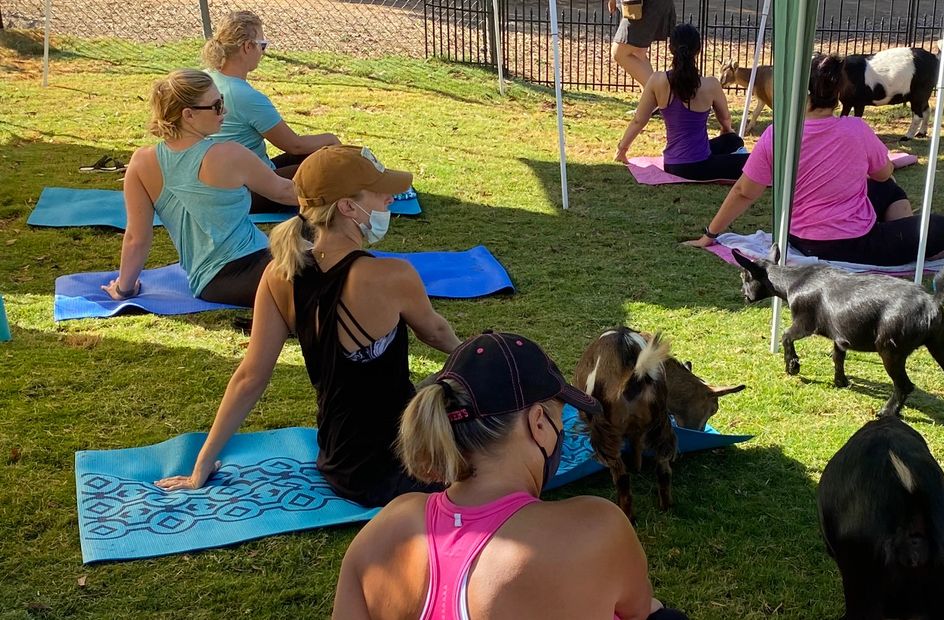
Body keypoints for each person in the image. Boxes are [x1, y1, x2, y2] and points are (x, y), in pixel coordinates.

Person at [156, 145, 462, 508]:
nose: (390, 198)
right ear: (348, 207)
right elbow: (438, 335)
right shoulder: (391, 275)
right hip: (405, 465)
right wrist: (483, 351)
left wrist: (201, 463)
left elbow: (249, 377)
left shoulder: (278, 274)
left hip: (338, 462)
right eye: (379, 193)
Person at [331, 331, 691, 620]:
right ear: (539, 423)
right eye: (559, 415)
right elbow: (638, 609)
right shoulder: (598, 527)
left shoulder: (380, 533)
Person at [684, 55, 944, 266]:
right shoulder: (856, 130)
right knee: (941, 226)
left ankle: (898, 238)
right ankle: (912, 247)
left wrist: (710, 234)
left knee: (887, 192)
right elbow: (884, 173)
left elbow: (744, 191)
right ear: (838, 92)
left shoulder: (778, 133)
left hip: (798, 237)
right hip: (851, 244)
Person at [103, 68, 296, 307]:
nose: (223, 110)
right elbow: (286, 192)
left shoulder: (141, 162)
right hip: (253, 265)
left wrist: (124, 288)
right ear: (188, 115)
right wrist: (338, 192)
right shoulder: (229, 154)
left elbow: (137, 238)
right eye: (216, 105)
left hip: (210, 284)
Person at [202, 10, 341, 213]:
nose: (263, 52)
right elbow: (295, 145)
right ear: (247, 47)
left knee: (321, 157)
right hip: (244, 191)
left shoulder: (206, 79)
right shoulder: (245, 96)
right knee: (333, 168)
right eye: (262, 46)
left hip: (218, 183)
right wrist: (330, 139)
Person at [615, 23, 747, 181]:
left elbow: (639, 120)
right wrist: (725, 129)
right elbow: (725, 119)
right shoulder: (711, 84)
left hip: (671, 164)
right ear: (698, 50)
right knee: (754, 161)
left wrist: (622, 150)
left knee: (733, 141)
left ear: (671, 49)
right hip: (699, 166)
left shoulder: (657, 80)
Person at [609, 0, 676, 90]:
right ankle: (650, 101)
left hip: (645, 5)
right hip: (643, 5)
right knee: (637, 54)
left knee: (619, 52)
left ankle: (662, 94)